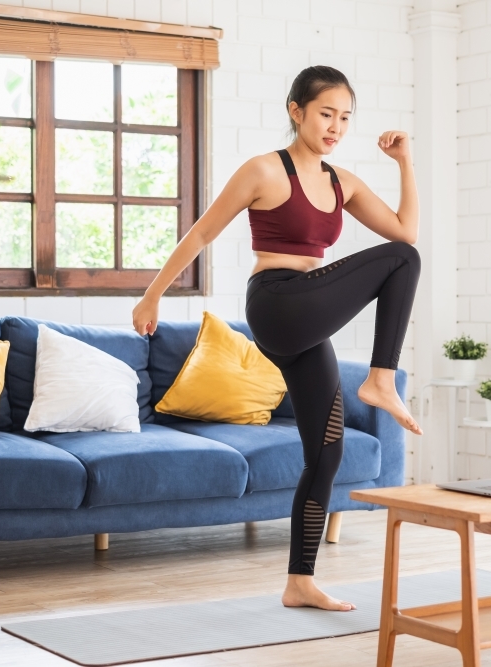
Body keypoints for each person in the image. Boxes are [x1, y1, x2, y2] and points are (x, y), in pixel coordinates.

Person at [132, 65, 421, 612]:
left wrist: (405, 162)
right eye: (325, 114)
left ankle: (299, 581)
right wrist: (153, 295)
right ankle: (381, 380)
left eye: (344, 118)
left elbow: (405, 231)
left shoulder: (343, 183)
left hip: (307, 318)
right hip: (278, 301)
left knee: (326, 452)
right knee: (402, 261)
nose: (335, 126)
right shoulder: (264, 171)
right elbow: (202, 232)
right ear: (297, 111)